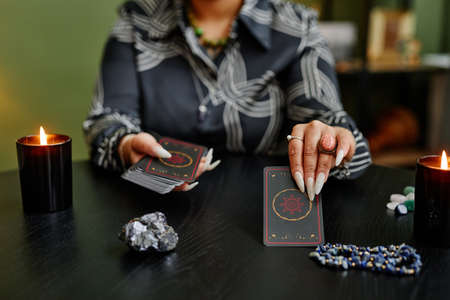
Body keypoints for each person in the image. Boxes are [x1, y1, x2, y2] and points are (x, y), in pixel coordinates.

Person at [83, 0, 372, 199]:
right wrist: (123, 145)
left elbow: (342, 136)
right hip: (155, 210)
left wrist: (330, 141)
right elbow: (106, 120)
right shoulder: (138, 19)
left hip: (264, 219)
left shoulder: (295, 26)